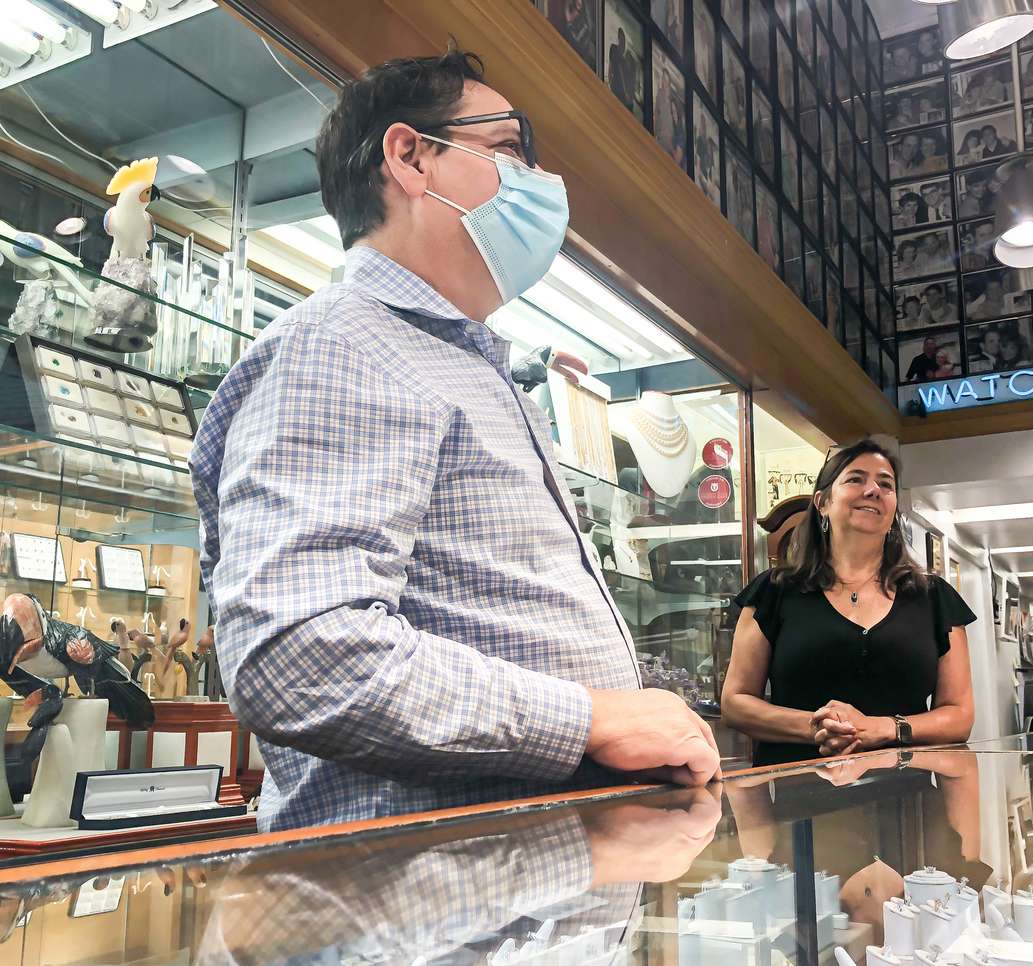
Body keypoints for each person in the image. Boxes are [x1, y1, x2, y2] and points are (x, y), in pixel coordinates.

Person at [190, 51, 720, 833]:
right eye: (510, 149)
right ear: (409, 157)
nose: (537, 179)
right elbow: (300, 655)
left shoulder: (462, 361)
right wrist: (589, 720)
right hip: (418, 919)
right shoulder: (347, 344)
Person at [721, 440, 975, 766]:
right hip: (794, 803)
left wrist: (884, 728)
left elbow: (959, 716)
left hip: (908, 803)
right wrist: (819, 727)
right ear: (822, 502)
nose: (873, 490)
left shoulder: (934, 597)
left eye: (885, 484)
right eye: (855, 479)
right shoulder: (773, 591)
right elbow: (735, 701)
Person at [608, 28, 638, 112]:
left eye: (623, 41)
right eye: (620, 40)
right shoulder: (614, 50)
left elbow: (630, 81)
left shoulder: (627, 60)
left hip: (622, 94)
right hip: (617, 90)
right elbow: (611, 68)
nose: (622, 43)